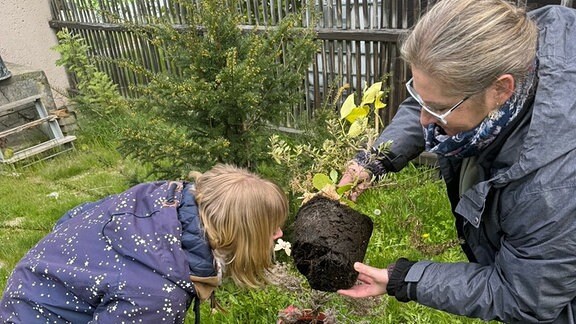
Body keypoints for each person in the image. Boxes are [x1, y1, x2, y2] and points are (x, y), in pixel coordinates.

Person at [337, 0, 576, 322]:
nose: (424, 119)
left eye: (437, 109)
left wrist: (404, 278)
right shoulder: (509, 45)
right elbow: (432, 97)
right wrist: (375, 159)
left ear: (501, 89)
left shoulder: (551, 190)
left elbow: (523, 296)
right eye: (422, 99)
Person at [0, 164, 287, 323]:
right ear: (238, 233)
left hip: (31, 281)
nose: (279, 234)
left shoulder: (163, 199)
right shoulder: (156, 293)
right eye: (270, 226)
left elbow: (74, 215)